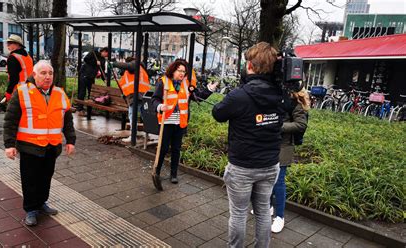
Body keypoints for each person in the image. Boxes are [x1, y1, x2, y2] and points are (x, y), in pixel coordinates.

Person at [212, 42, 284, 248]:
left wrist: (241, 88)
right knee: (263, 212)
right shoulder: (279, 93)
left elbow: (218, 113)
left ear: (250, 65)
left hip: (242, 167)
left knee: (239, 213)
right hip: (270, 165)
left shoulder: (240, 95)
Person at [3, 60, 76, 226]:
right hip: (30, 147)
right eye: (43, 73)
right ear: (34, 75)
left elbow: (68, 120)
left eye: (50, 73)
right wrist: (9, 145)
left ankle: (42, 202)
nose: (48, 77)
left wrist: (70, 140)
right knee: (30, 179)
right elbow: (10, 121)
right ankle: (30, 209)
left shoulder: (59, 93)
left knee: (45, 177)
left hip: (52, 146)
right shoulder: (22, 92)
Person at [151, 59, 218, 187]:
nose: (182, 73)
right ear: (173, 70)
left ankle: (174, 174)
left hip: (180, 122)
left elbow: (199, 96)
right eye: (179, 71)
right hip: (167, 121)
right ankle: (157, 171)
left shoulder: (186, 85)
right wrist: (160, 106)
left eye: (184, 71)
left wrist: (210, 89)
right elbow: (154, 99)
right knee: (163, 148)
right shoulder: (163, 82)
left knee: (176, 149)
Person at [270, 88, 309, 233]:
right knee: (267, 178)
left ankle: (279, 217)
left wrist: (279, 126)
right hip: (269, 144)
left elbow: (301, 125)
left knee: (278, 181)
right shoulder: (274, 96)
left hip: (284, 146)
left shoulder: (294, 103)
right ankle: (268, 207)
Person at [113, 57, 151, 142]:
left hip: (136, 95)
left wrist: (114, 64)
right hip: (143, 95)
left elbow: (128, 67)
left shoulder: (134, 65)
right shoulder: (141, 68)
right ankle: (147, 134)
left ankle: (133, 136)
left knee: (132, 116)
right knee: (144, 115)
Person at [76, 47, 109, 116]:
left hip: (91, 77)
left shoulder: (102, 60)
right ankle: (80, 109)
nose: (106, 56)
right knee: (82, 92)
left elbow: (102, 69)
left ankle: (89, 110)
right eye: (106, 54)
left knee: (91, 94)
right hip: (84, 75)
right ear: (104, 51)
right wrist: (95, 62)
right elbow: (86, 59)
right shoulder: (94, 53)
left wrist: (104, 79)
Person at [5, 34, 33, 102]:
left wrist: (8, 92)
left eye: (10, 43)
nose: (7, 45)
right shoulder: (28, 57)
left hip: (18, 92)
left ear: (17, 44)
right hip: (31, 89)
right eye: (7, 43)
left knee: (16, 112)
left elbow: (14, 78)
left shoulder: (13, 57)